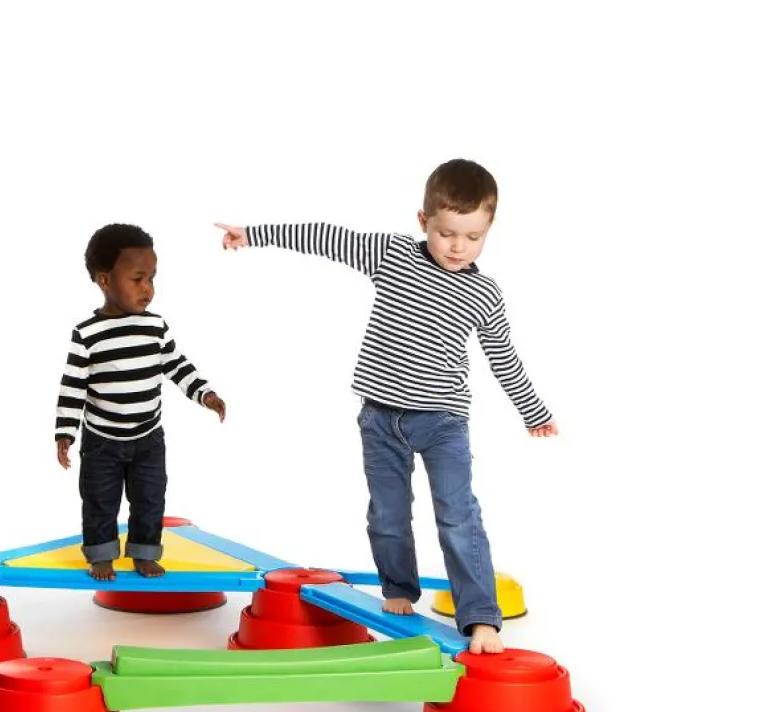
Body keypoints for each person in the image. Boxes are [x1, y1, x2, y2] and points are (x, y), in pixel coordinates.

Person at [216, 159, 556, 654]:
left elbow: (503, 356)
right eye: (445, 233)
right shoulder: (392, 254)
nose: (457, 246)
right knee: (387, 515)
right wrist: (254, 234)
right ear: (423, 221)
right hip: (379, 418)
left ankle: (481, 616)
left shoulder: (484, 292)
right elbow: (325, 237)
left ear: (489, 229)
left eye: (473, 236)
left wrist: (533, 411)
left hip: (442, 423)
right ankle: (398, 588)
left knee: (458, 515)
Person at [56, 223, 226, 581]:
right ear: (105, 280)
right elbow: (73, 387)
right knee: (99, 500)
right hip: (102, 441)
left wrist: (205, 394)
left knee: (150, 499)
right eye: (137, 279)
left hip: (148, 438)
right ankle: (101, 556)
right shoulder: (87, 334)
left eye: (152, 278)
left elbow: (177, 365)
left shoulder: (155, 327)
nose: (147, 288)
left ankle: (145, 553)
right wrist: (65, 433)